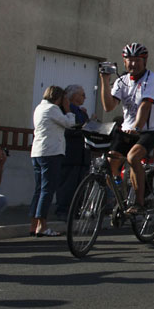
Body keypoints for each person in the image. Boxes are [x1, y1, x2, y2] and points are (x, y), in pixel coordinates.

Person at [98, 43, 154, 215]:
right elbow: (108, 106)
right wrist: (105, 81)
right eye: (129, 61)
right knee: (110, 165)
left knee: (133, 157)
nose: (133, 64)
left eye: (137, 60)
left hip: (152, 130)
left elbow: (145, 106)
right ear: (124, 61)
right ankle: (120, 198)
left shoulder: (152, 79)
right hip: (128, 129)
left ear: (145, 61)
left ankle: (139, 202)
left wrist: (137, 127)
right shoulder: (122, 81)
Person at [29, 85, 76, 237]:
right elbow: (70, 124)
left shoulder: (39, 108)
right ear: (59, 98)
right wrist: (68, 110)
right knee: (47, 190)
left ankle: (34, 225)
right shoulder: (52, 109)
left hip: (37, 152)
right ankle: (42, 226)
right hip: (51, 152)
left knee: (39, 189)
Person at [55, 84, 91, 220]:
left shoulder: (82, 112)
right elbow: (68, 129)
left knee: (80, 186)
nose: (85, 97)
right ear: (74, 96)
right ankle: (63, 211)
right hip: (70, 153)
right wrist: (83, 129)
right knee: (67, 185)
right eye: (82, 94)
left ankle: (76, 210)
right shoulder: (64, 110)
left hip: (82, 155)